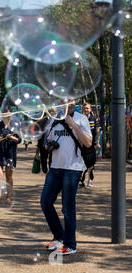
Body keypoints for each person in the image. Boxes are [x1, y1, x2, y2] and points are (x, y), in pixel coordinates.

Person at [40, 101, 92, 256]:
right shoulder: (53, 120)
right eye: (63, 103)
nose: (67, 106)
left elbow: (88, 143)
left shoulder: (81, 118)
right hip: (55, 167)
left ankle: (70, 244)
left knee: (67, 207)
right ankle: (59, 237)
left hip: (73, 168)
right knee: (45, 202)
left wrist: (73, 125)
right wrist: (48, 146)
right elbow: (46, 142)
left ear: (73, 104)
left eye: (70, 103)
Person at [0, 108, 21, 205]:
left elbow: (19, 140)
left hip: (9, 153)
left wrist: (11, 137)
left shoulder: (14, 125)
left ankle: (8, 196)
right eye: (4, 114)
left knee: (8, 175)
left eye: (8, 113)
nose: (6, 115)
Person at [79, 102, 101, 188]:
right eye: (84, 108)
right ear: (82, 110)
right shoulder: (79, 119)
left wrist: (98, 142)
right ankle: (82, 180)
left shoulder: (94, 119)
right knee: (81, 162)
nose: (86, 109)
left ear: (90, 109)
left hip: (91, 144)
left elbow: (97, 131)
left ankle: (90, 180)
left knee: (91, 164)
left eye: (87, 108)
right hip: (81, 144)